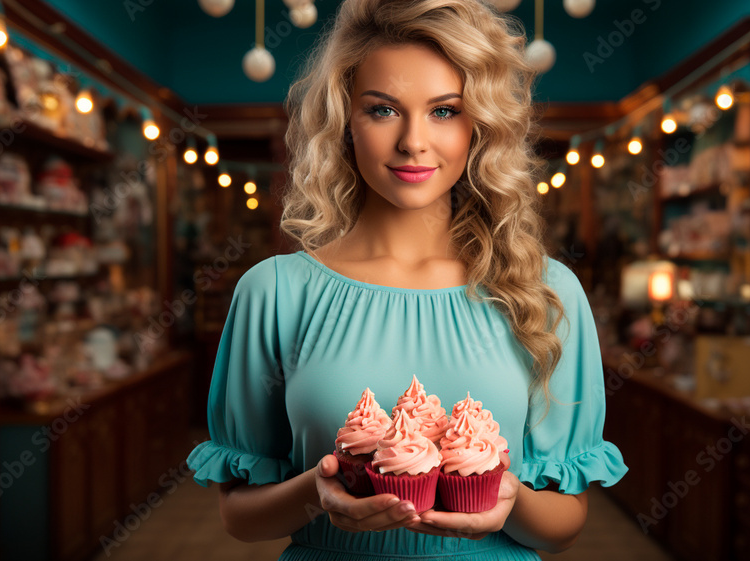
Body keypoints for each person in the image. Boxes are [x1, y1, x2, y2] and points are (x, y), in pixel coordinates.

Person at [186, 1, 628, 559]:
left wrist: (509, 499)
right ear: (346, 121)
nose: (413, 142)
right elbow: (241, 517)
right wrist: (317, 495)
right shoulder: (273, 293)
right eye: (384, 110)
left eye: (444, 111)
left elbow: (564, 526)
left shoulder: (546, 294)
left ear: (481, 126)